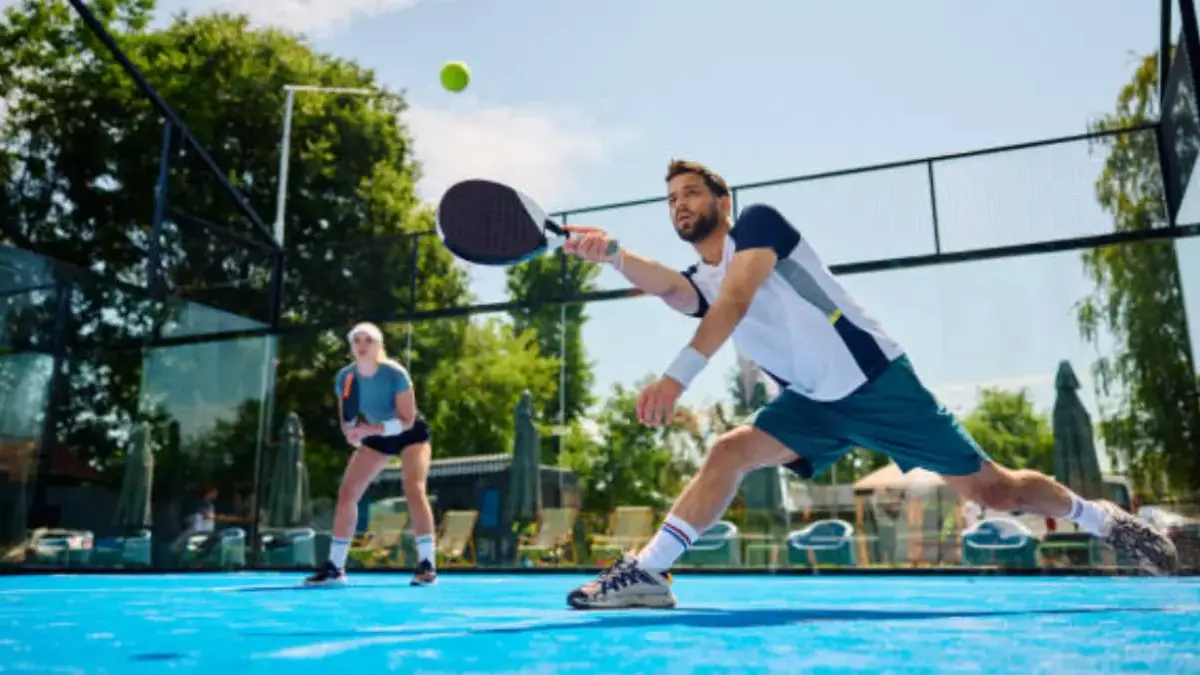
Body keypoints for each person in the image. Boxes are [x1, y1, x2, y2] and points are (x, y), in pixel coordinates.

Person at [560, 159, 1180, 610]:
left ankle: (1103, 521)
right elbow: (672, 286)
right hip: (810, 405)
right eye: (670, 199)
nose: (680, 204)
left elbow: (739, 301)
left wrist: (676, 377)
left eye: (691, 192)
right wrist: (613, 253)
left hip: (878, 383)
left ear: (723, 200)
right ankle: (648, 573)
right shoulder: (702, 277)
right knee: (728, 452)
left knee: (995, 491)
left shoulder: (760, 227)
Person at [304, 322, 438, 587]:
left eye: (369, 341)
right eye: (357, 341)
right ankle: (335, 568)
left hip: (410, 433)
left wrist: (370, 429)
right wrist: (352, 434)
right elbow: (348, 420)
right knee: (347, 495)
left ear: (379, 346)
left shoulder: (395, 373)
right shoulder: (345, 377)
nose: (362, 346)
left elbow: (408, 420)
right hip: (375, 434)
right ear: (351, 346)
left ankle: (427, 565)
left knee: (414, 488)